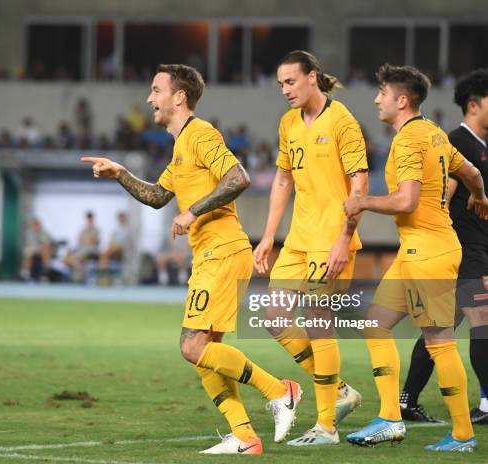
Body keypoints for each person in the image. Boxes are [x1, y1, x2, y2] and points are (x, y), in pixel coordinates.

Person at [83, 64, 301, 455]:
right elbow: (157, 196)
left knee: (191, 347)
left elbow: (238, 178)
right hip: (210, 254)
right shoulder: (181, 145)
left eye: (155, 90)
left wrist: (194, 211)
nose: (149, 98)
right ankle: (246, 437)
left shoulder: (200, 134)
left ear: (178, 97)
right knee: (205, 354)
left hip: (222, 251)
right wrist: (119, 173)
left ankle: (281, 391)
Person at [344, 64, 488, 452]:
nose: (377, 99)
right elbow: (473, 171)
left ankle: (462, 434)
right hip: (416, 250)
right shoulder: (434, 133)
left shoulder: (409, 140)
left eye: (382, 92)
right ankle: (390, 418)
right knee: (375, 324)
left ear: (401, 100)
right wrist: (479, 196)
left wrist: (363, 201)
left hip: (429, 252)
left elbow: (406, 201)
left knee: (439, 341)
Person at [253, 50, 368, 446]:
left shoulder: (343, 121)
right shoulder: (288, 123)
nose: (285, 90)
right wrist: (268, 235)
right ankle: (338, 391)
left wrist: (344, 238)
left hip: (332, 240)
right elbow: (283, 181)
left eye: (291, 81)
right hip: (298, 240)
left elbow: (360, 187)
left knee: (319, 320)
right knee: (273, 317)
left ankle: (327, 427)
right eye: (281, 84)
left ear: (312, 77)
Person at [399, 68, 488, 425]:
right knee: (482, 321)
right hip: (465, 250)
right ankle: (486, 406)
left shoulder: (480, 147)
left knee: (440, 327)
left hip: (476, 248)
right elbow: (441, 195)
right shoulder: (457, 141)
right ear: (473, 104)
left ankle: (406, 400)